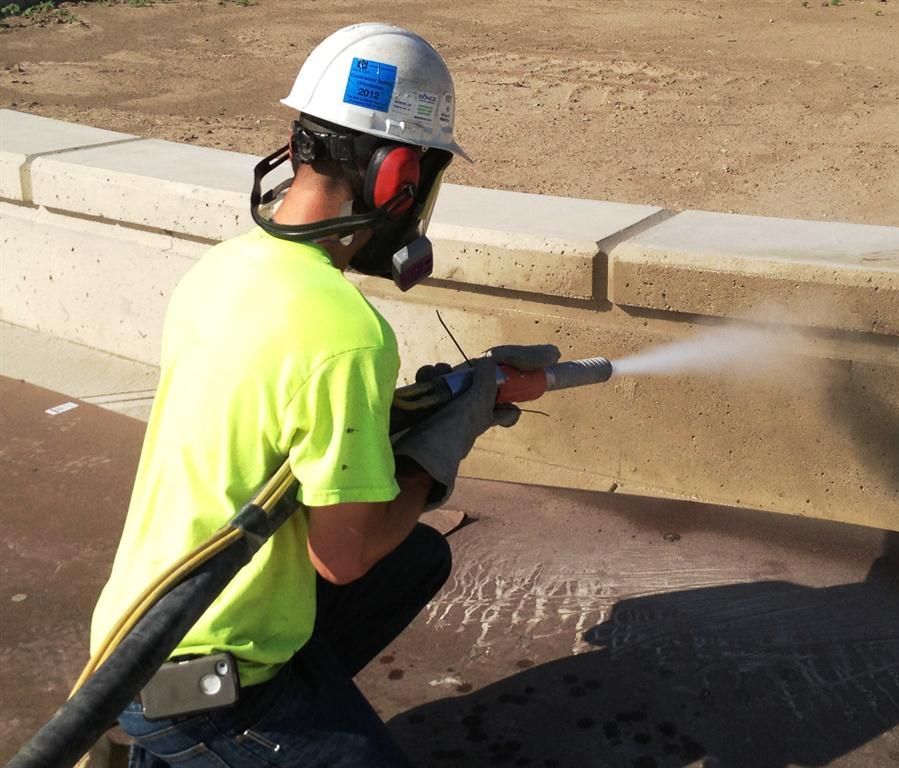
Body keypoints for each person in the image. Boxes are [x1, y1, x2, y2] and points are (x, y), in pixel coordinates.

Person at [89, 22, 559, 767]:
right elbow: (345, 556)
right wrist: (443, 449)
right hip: (199, 684)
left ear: (298, 139)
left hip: (135, 635)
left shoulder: (225, 268)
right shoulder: (347, 331)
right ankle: (198, 746)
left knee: (417, 561)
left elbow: (280, 427)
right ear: (398, 175)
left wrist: (413, 411)